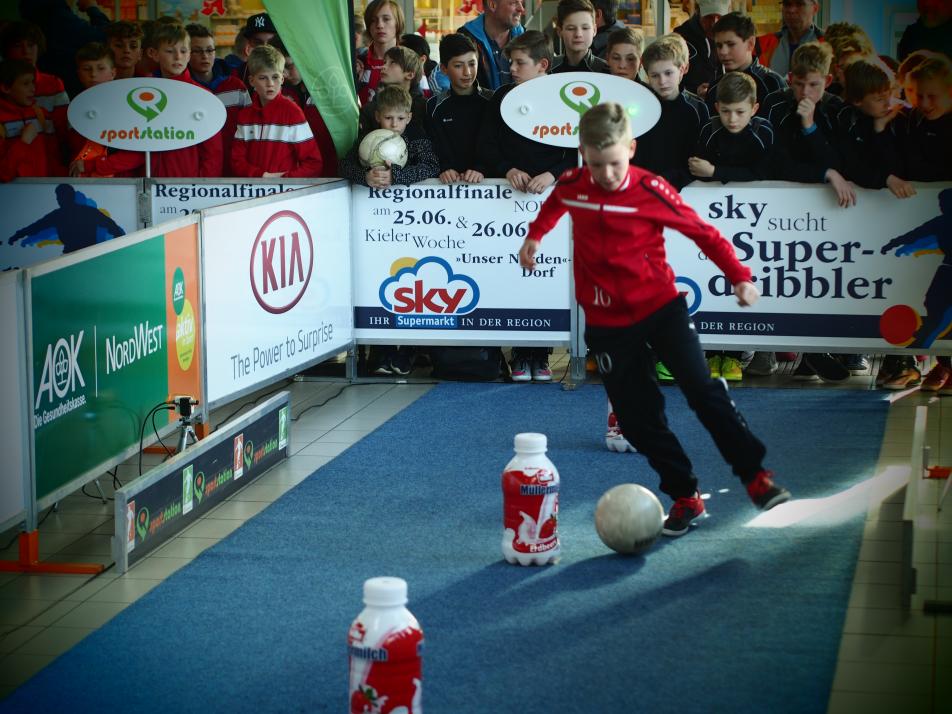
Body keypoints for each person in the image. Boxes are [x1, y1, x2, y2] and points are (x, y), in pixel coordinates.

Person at [518, 102, 791, 536]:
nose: (606, 175)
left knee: (702, 392)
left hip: (661, 309)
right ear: (582, 153)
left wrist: (739, 278)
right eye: (596, 164)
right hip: (607, 324)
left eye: (614, 163)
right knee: (638, 420)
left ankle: (756, 477)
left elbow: (704, 233)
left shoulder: (652, 189)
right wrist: (535, 236)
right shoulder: (573, 183)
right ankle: (685, 495)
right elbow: (555, 203)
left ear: (631, 147)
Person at [476, 30, 576, 382]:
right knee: (517, 273)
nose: (512, 70)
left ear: (543, 65)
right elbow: (486, 146)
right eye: (510, 63)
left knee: (549, 274)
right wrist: (509, 170)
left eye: (519, 63)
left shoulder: (565, 98)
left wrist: (553, 174)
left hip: (555, 200)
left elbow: (580, 150)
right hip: (510, 200)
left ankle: (543, 354)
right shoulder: (502, 98)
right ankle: (521, 352)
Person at [339, 85, 440, 376]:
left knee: (409, 284)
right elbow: (344, 165)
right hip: (376, 228)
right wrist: (365, 176)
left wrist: (397, 176)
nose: (393, 125)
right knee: (378, 284)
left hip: (411, 226)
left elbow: (432, 166)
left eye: (399, 119)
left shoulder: (417, 138)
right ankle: (381, 353)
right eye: (387, 119)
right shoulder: (366, 141)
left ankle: (406, 353)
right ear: (377, 117)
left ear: (408, 117)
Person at [231, 45, 323, 179]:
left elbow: (313, 163)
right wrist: (262, 176)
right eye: (263, 78)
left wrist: (285, 179)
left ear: (282, 79)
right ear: (251, 81)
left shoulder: (293, 113)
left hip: (285, 195)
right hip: (252, 193)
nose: (270, 84)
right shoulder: (245, 116)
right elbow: (236, 161)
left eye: (275, 77)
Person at [635, 34, 709, 191]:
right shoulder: (641, 107)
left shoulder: (697, 110)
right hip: (642, 187)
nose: (662, 81)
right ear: (647, 76)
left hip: (685, 191)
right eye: (655, 75)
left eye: (668, 73)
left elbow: (699, 159)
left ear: (682, 69)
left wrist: (668, 178)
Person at [426, 32, 492, 185]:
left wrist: (482, 168)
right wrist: (444, 168)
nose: (467, 72)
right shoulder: (434, 106)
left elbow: (497, 145)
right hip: (447, 186)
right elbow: (432, 145)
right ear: (443, 69)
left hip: (490, 185)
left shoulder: (493, 101)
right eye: (458, 65)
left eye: (471, 64)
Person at [186, 23, 251, 176]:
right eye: (197, 51)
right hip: (197, 174)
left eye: (209, 50)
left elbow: (250, 130)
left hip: (235, 169)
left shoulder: (235, 86)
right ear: (186, 53)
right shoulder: (183, 90)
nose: (205, 56)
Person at [271, 38, 338, 178]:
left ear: (303, 59)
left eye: (288, 66)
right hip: (289, 179)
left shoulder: (329, 89)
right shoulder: (276, 92)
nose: (283, 74)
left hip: (330, 177)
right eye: (278, 69)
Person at [1, 21, 70, 155]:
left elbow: (63, 131)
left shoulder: (53, 84)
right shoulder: (4, 86)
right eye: (17, 46)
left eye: (31, 45)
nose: (25, 51)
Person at [17, 0, 109, 98]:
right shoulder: (57, 15)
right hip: (66, 88)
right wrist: (92, 8)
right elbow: (105, 34)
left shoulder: (31, 12)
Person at [706, 12, 787, 116]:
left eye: (730, 44)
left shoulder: (773, 83)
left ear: (750, 43)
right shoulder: (714, 87)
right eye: (719, 45)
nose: (723, 52)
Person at [8, 183, 123, 253]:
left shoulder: (62, 214)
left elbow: (111, 225)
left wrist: (17, 235)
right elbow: (36, 227)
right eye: (58, 197)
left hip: (85, 255)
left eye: (60, 197)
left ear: (68, 197)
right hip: (72, 256)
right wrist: (17, 235)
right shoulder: (85, 212)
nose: (59, 200)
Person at [0, 59, 64, 181]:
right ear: (5, 88)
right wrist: (23, 142)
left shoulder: (41, 114)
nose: (32, 89)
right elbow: (3, 173)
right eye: (25, 84)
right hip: (10, 196)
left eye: (33, 83)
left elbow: (53, 158)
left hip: (42, 192)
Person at [67, 42, 124, 178]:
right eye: (87, 69)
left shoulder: (124, 107)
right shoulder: (73, 108)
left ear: (113, 73)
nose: (93, 74)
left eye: (100, 68)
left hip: (120, 180)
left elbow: (134, 154)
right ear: (79, 74)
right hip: (80, 178)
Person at [359, 45, 428, 137]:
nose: (383, 66)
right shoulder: (370, 108)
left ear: (410, 74)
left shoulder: (424, 108)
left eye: (392, 63)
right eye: (384, 62)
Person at [459, 0, 526, 91]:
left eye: (521, 2)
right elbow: (445, 75)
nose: (521, 9)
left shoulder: (526, 40)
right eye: (514, 2)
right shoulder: (465, 38)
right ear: (493, 5)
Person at [673, 0, 729, 98]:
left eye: (719, 17)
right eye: (708, 17)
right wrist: (694, 92)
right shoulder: (681, 38)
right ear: (698, 12)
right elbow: (670, 80)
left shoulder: (730, 36)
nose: (714, 23)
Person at [756, 0, 824, 77]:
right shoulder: (761, 45)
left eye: (800, 4)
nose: (791, 10)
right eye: (787, 4)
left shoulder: (827, 44)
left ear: (815, 8)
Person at [356, 0, 403, 106]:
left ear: (398, 23)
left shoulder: (409, 61)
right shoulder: (358, 63)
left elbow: (421, 104)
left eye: (386, 19)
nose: (379, 25)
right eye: (373, 20)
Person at [551, 0, 608, 74]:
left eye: (585, 28)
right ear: (559, 31)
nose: (578, 34)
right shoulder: (547, 69)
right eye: (571, 28)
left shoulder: (606, 71)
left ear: (594, 30)